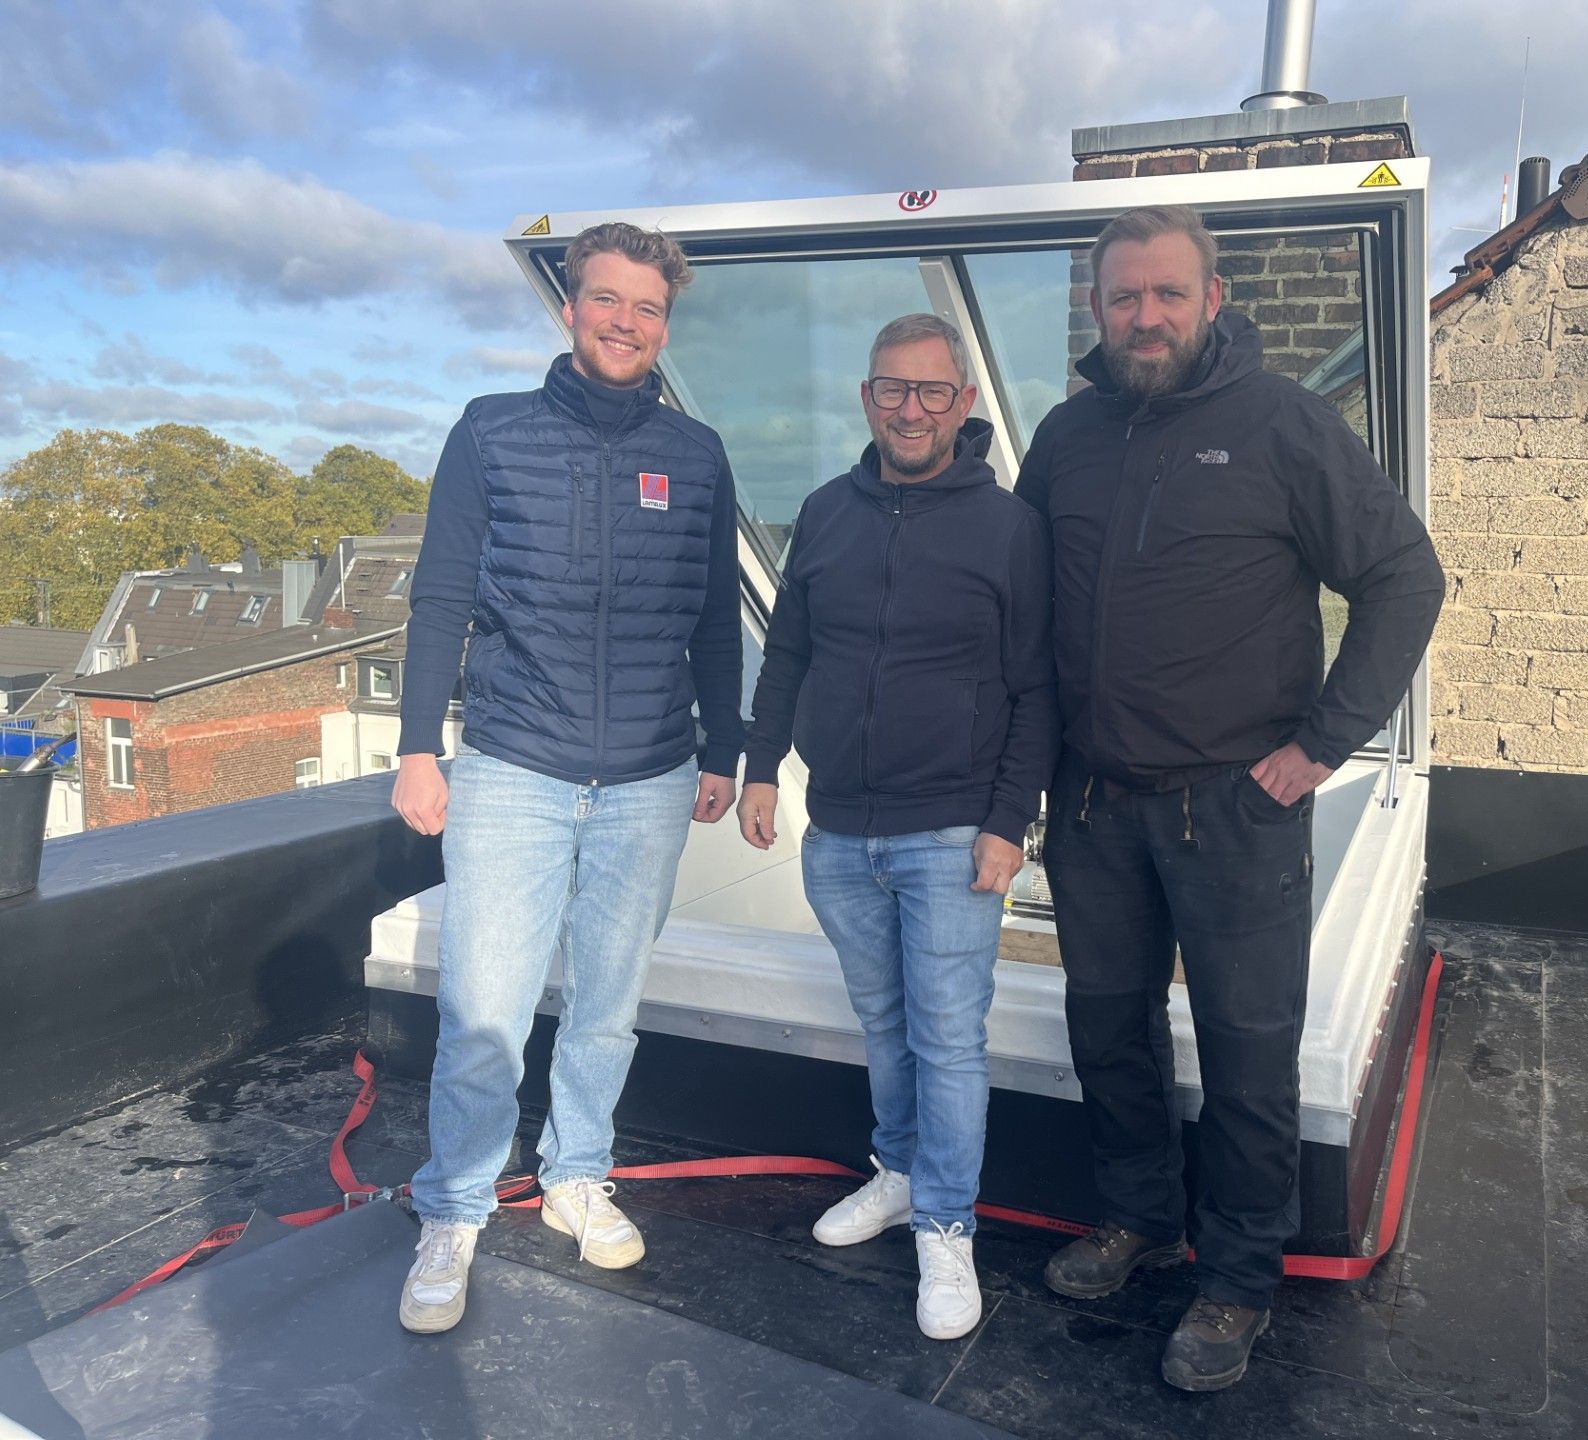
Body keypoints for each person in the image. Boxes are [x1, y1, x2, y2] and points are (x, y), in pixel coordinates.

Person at [1014, 205, 1444, 1391]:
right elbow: (1024, 601)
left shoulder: (1283, 424)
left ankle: (1238, 1279)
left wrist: (1319, 747)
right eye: (1121, 298)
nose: (1143, 316)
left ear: (1211, 299)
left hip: (1235, 811)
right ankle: (1138, 1218)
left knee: (1251, 1056)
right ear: (1097, 309)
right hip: (1094, 805)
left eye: (1165, 294)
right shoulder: (1065, 436)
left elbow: (1405, 575)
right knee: (1109, 1029)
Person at [389, 222, 745, 1334]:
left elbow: (714, 623)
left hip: (649, 777)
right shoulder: (490, 434)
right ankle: (452, 1210)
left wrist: (724, 750)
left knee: (607, 1008)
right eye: (606, 300)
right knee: (484, 1010)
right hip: (511, 769)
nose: (625, 321)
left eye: (647, 307)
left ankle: (575, 1176)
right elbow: (441, 596)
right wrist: (414, 746)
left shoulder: (698, 454)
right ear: (569, 309)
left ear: (665, 324)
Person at [737, 313, 1056, 1341]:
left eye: (931, 393)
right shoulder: (825, 512)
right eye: (891, 390)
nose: (910, 410)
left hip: (952, 832)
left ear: (963, 405)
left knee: (948, 1040)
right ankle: (901, 1174)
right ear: (866, 399)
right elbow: (787, 654)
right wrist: (760, 773)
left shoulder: (1009, 527)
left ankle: (947, 1226)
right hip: (838, 834)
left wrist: (1010, 824)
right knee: (884, 1026)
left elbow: (1035, 689)